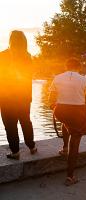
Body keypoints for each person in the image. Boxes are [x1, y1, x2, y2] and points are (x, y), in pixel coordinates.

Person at [48, 57, 86, 186]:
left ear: (66, 66)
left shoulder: (57, 77)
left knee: (66, 123)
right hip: (77, 111)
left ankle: (65, 148)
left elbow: (51, 98)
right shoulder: (84, 79)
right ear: (79, 67)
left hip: (61, 110)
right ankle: (70, 176)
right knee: (75, 142)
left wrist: (55, 108)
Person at [0, 30, 37, 160]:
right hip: (24, 97)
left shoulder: (2, 55)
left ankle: (15, 152)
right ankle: (32, 146)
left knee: (10, 125)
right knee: (25, 122)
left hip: (5, 97)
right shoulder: (27, 56)